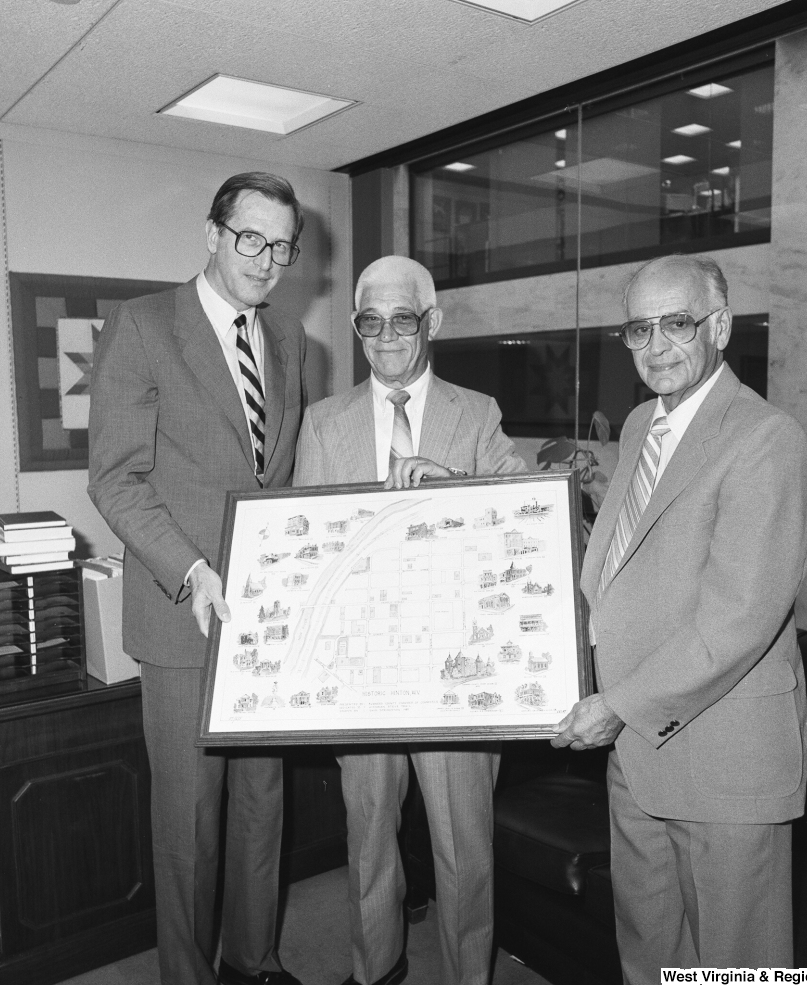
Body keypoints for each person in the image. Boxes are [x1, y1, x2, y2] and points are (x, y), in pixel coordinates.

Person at [553, 254, 807, 978]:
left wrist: (617, 704)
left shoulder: (767, 439)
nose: (656, 345)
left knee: (734, 965)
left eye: (677, 323)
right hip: (636, 754)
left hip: (722, 751)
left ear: (721, 326)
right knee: (649, 954)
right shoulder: (642, 423)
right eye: (639, 328)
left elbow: (737, 620)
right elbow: (623, 561)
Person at [88, 172, 309, 985]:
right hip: (184, 618)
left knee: (261, 807)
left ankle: (256, 961)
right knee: (189, 824)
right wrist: (192, 569)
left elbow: (284, 484)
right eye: (250, 237)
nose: (266, 259)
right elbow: (115, 477)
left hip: (263, 624)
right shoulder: (144, 327)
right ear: (212, 234)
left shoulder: (289, 343)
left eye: (281, 245)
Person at [294, 255, 527, 985]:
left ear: (433, 323)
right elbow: (304, 545)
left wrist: (459, 490)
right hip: (363, 677)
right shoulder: (322, 423)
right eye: (370, 320)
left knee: (466, 851)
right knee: (368, 843)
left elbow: (526, 516)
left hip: (458, 675)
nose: (386, 336)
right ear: (357, 327)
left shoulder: (477, 412)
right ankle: (376, 971)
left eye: (403, 319)